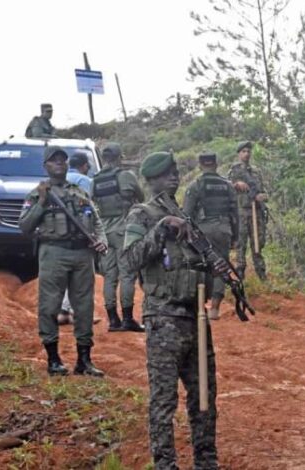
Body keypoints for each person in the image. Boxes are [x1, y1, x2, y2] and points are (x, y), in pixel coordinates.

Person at [124, 152, 227, 470]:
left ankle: (206, 461)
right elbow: (129, 260)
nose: (173, 177)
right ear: (151, 179)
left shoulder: (187, 216)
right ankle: (165, 464)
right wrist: (162, 227)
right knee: (164, 399)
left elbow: (199, 263)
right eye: (166, 173)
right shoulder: (141, 215)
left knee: (204, 397)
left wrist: (215, 270)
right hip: (164, 317)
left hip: (195, 318)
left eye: (175, 172)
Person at [18, 146, 107, 377]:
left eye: (63, 160)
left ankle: (84, 361)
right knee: (49, 305)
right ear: (45, 166)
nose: (59, 163)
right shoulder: (38, 193)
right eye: (54, 160)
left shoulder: (79, 192)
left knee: (84, 307)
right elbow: (25, 226)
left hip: (82, 255)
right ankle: (54, 360)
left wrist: (102, 241)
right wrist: (42, 203)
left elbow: (96, 221)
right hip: (53, 252)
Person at [93, 142, 146, 332]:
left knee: (109, 277)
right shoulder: (126, 176)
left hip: (104, 233)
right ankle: (128, 319)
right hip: (124, 231)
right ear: (119, 157)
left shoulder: (96, 179)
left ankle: (113, 320)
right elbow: (141, 198)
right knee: (127, 274)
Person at [183, 152, 240, 320]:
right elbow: (234, 214)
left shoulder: (195, 185)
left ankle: (201, 305)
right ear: (216, 164)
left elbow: (186, 214)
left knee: (201, 266)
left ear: (201, 166)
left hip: (202, 230)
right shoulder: (227, 186)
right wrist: (235, 237)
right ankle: (215, 307)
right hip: (224, 229)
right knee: (220, 265)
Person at [58, 151, 95, 325]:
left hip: (58, 232)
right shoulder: (84, 181)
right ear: (84, 166)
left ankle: (63, 311)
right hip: (79, 233)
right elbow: (87, 207)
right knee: (83, 275)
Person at [227, 141, 268, 281]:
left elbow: (264, 192)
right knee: (241, 244)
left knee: (258, 244)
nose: (246, 154)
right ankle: (240, 273)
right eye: (243, 151)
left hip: (256, 213)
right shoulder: (234, 171)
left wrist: (262, 197)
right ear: (239, 154)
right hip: (241, 213)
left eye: (248, 151)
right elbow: (227, 190)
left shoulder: (257, 172)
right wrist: (236, 184)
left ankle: (261, 274)